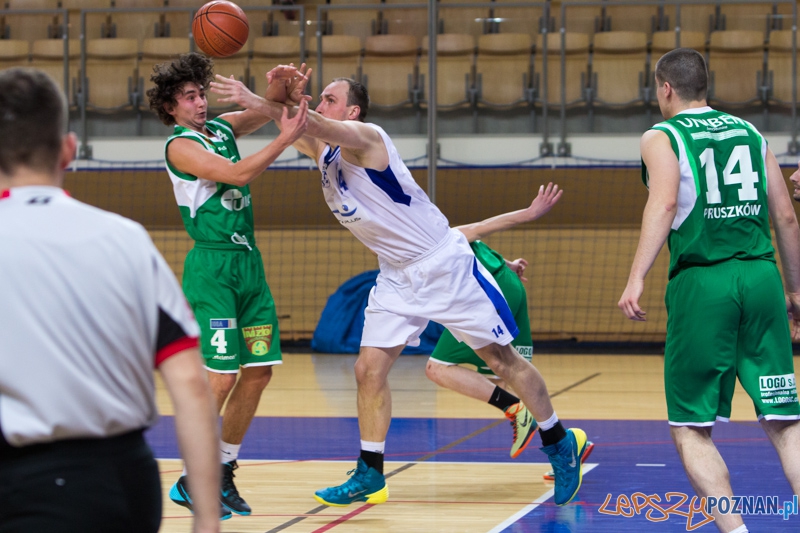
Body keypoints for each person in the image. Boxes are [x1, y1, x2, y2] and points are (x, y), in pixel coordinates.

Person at [210, 70, 587, 507]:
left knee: (502, 361)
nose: (320, 102)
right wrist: (282, 96)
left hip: (441, 264)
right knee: (367, 370)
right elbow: (294, 124)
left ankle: (558, 442)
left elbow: (307, 121)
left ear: (352, 111)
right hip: (395, 274)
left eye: (329, 98)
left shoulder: (367, 137)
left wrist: (253, 97)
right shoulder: (323, 150)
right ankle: (370, 472)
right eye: (319, 97)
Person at [0, 68, 220, 533]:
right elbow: (191, 384)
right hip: (115, 481)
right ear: (68, 149)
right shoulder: (125, 239)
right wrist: (206, 520)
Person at [618, 48, 800, 533]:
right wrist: (796, 291)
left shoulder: (661, 136)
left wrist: (636, 276)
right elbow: (785, 216)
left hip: (703, 282)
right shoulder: (750, 132)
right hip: (761, 277)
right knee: (785, 421)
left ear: (666, 88)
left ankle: (736, 530)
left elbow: (664, 204)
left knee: (690, 427)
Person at [146, 53, 309, 517]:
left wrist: (280, 88)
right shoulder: (179, 147)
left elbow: (261, 110)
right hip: (213, 269)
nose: (200, 103)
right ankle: (191, 476)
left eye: (201, 94)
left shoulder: (220, 129)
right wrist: (286, 138)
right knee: (221, 378)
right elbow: (238, 174)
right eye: (189, 97)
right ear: (171, 107)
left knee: (259, 372)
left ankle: (223, 469)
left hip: (248, 264)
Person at [427, 185, 595, 477]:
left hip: (487, 294)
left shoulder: (429, 239)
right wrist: (509, 264)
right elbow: (477, 241)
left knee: (437, 368)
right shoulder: (444, 234)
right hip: (507, 283)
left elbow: (485, 226)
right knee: (509, 374)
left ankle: (517, 410)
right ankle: (567, 444)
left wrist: (530, 213)